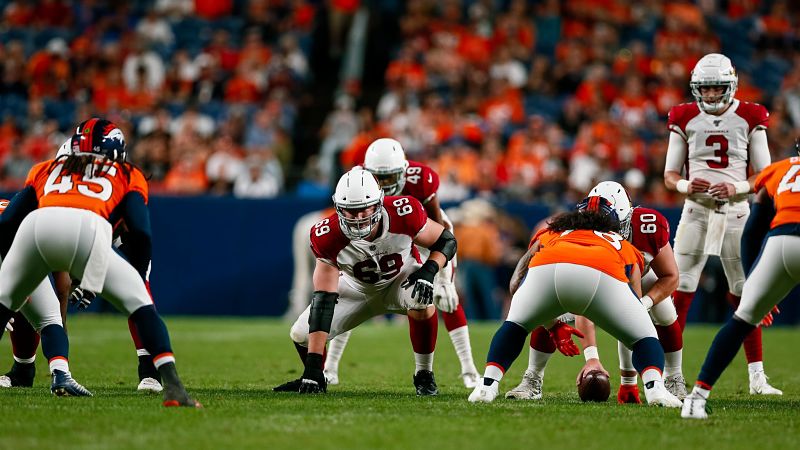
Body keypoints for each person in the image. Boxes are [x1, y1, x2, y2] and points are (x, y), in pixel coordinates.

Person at [0, 118, 199, 407]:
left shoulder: (45, 168)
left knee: (5, 303)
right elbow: (140, 233)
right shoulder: (126, 173)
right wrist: (128, 279)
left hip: (36, 226)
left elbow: (6, 224)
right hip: (89, 228)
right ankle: (172, 386)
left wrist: (12, 278)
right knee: (142, 306)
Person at [468, 196, 681, 407]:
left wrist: (552, 325)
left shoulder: (550, 232)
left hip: (546, 269)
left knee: (514, 327)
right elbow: (633, 303)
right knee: (645, 337)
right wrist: (627, 380)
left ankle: (487, 385)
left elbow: (515, 284)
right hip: (602, 274)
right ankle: (655, 389)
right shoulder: (622, 244)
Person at [274, 167, 457, 395]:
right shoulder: (327, 235)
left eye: (364, 209)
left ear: (379, 203)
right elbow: (323, 301)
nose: (359, 218)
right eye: (350, 211)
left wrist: (429, 271)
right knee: (300, 334)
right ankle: (316, 378)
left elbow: (446, 241)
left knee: (421, 297)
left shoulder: (403, 212)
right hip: (355, 288)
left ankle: (424, 374)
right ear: (338, 208)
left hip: (399, 281)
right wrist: (311, 368)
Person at [663, 53, 780, 395]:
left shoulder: (750, 115)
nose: (712, 96)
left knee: (745, 294)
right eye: (706, 89)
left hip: (736, 212)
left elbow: (765, 174)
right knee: (679, 292)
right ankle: (672, 376)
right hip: (696, 211)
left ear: (730, 86)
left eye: (717, 88)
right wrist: (687, 185)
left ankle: (757, 377)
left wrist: (737, 186)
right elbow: (670, 176)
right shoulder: (683, 116)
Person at [322, 138, 480, 388]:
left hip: (419, 230)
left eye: (389, 177)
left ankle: (469, 369)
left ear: (404, 171)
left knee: (445, 297)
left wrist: (442, 278)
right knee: (351, 288)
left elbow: (440, 230)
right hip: (381, 233)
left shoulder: (421, 179)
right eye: (378, 178)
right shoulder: (358, 182)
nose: (384, 184)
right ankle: (330, 367)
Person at [683, 141, 800, 419]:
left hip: (780, 243)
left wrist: (752, 284)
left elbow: (752, 230)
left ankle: (696, 398)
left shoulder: (779, 170)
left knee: (742, 320)